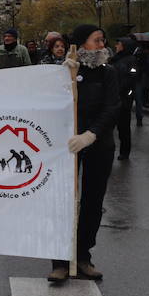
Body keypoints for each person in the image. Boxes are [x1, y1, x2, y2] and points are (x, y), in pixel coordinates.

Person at [48, 24, 119, 283]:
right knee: (64, 201)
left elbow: (113, 107)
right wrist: (62, 79)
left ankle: (83, 256)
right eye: (96, 40)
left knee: (92, 202)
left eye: (103, 40)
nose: (102, 45)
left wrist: (91, 134)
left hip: (97, 144)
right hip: (67, 147)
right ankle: (60, 261)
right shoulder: (64, 72)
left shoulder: (108, 73)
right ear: (79, 44)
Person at [111, 38, 139, 160]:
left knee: (123, 128)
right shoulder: (115, 59)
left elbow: (133, 76)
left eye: (119, 44)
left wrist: (123, 89)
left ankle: (125, 151)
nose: (116, 46)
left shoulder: (131, 60)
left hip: (124, 98)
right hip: (113, 98)